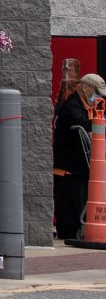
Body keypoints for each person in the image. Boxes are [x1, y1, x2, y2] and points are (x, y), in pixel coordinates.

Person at [54, 72, 102, 242]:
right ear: (85, 87)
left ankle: (79, 231)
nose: (97, 97)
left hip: (80, 167)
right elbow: (80, 122)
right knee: (70, 205)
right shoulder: (71, 106)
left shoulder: (87, 107)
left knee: (80, 202)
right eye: (96, 92)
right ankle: (69, 235)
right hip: (68, 168)